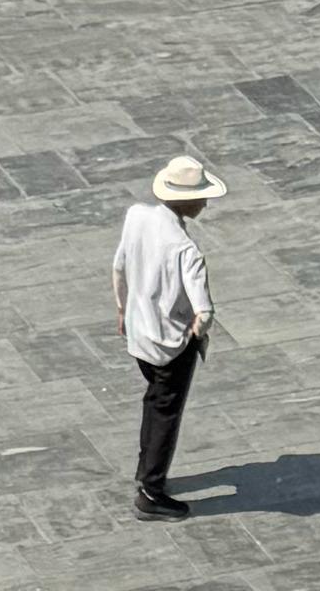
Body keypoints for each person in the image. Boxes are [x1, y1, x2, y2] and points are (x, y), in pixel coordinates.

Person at [112, 152, 220, 516]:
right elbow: (204, 311)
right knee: (166, 414)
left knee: (153, 401)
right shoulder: (187, 250)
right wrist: (195, 334)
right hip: (170, 344)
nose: (205, 203)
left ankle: (145, 471)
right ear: (186, 201)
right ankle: (152, 491)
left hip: (138, 332)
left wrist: (122, 308)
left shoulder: (136, 216)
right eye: (201, 197)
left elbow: (119, 266)